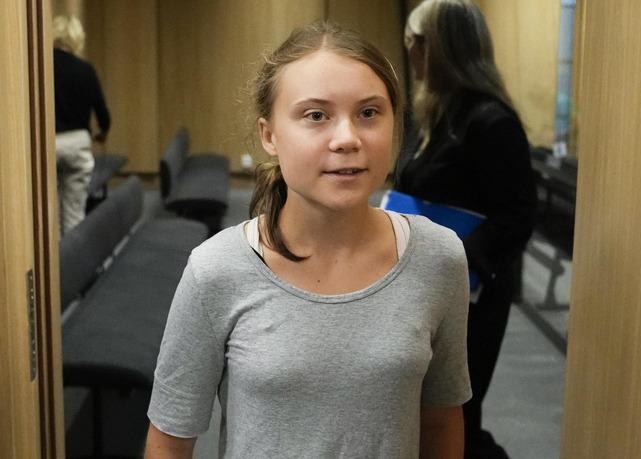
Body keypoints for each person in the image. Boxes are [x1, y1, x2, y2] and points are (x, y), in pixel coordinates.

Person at [145, 20, 471, 459]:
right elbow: (168, 443)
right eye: (316, 116)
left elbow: (441, 420)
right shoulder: (217, 271)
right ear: (269, 135)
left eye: (369, 113)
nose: (347, 139)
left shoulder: (438, 257)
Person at [394, 1, 537, 458]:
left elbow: (516, 217)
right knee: (422, 410)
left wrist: (451, 259)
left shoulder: (491, 121)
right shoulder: (435, 113)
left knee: (457, 415)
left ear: (438, 48)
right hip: (424, 285)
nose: (409, 52)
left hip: (470, 294)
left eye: (414, 42)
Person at [52, 14, 111, 235]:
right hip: (77, 142)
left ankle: (53, 253)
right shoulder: (85, 70)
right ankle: (72, 253)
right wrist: (101, 133)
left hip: (49, 143)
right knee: (74, 211)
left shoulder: (42, 68)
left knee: (50, 211)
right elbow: (103, 115)